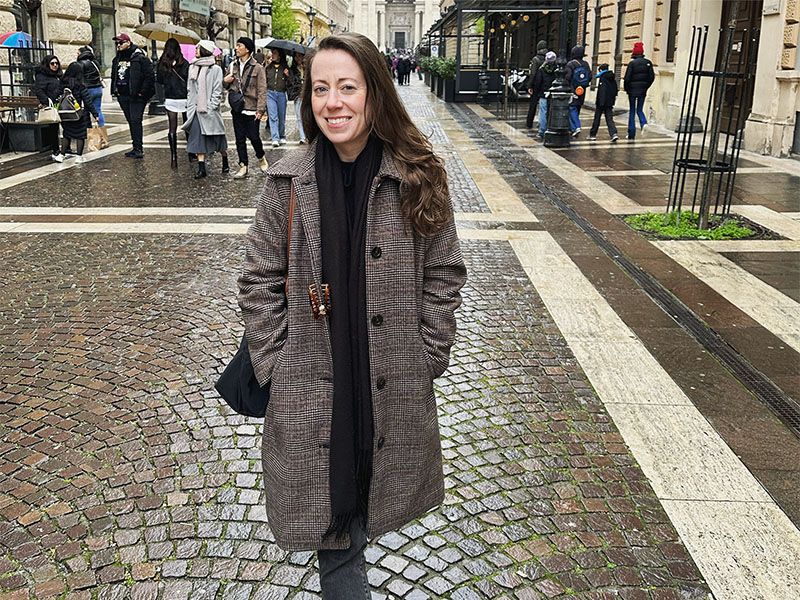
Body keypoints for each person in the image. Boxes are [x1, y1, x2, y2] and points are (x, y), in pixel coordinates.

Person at [237, 31, 466, 598]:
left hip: (386, 377)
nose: (332, 102)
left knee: (366, 497)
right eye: (320, 89)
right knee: (334, 523)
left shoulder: (417, 174)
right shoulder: (286, 181)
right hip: (313, 385)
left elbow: (444, 271)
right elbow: (258, 279)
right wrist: (277, 364)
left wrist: (428, 351)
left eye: (347, 87)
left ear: (374, 93)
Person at [223, 36, 268, 179]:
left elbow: (262, 90)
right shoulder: (232, 65)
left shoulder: (258, 68)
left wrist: (260, 110)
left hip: (252, 107)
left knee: (254, 137)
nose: (236, 48)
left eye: (239, 46)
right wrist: (225, 81)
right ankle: (243, 165)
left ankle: (261, 157)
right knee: (239, 139)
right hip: (237, 107)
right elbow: (226, 85)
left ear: (247, 49)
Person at [183, 40, 228, 179]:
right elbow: (190, 89)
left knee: (217, 139)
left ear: (204, 50)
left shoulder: (216, 69)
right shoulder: (193, 67)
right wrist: (190, 107)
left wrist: (211, 107)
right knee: (197, 139)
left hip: (210, 111)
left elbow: (217, 90)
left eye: (198, 48)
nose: (195, 50)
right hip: (196, 110)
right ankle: (201, 168)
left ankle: (225, 159)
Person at [110, 33, 155, 159]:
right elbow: (115, 75)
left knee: (135, 120)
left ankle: (138, 148)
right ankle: (135, 147)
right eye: (117, 43)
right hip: (122, 94)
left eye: (121, 43)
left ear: (128, 42)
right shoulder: (117, 58)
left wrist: (142, 92)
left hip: (136, 96)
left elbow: (149, 76)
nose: (118, 45)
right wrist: (115, 90)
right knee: (131, 121)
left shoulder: (139, 57)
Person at [157, 38, 191, 169]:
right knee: (187, 125)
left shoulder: (163, 63)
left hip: (170, 98)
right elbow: (188, 79)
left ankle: (174, 157)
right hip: (184, 97)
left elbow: (159, 80)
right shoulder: (184, 63)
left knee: (172, 128)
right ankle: (191, 152)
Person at [59, 62, 100, 162]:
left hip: (65, 114)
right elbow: (88, 101)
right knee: (80, 135)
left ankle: (62, 154)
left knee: (67, 134)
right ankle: (79, 156)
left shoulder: (62, 83)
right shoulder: (80, 85)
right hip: (79, 114)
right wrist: (95, 114)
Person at [33, 54, 65, 162]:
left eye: (56, 63)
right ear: (48, 64)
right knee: (53, 127)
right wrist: (47, 101)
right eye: (52, 63)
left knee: (66, 125)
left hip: (61, 103)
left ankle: (65, 148)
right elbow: (39, 91)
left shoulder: (59, 75)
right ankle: (55, 150)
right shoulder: (42, 76)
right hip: (51, 104)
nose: (55, 65)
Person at [623, 41, 655, 140]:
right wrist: (646, 87)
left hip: (632, 91)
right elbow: (651, 77)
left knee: (632, 110)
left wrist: (627, 89)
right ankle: (644, 123)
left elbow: (627, 79)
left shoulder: (632, 64)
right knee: (640, 109)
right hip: (642, 91)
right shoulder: (648, 63)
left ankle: (631, 133)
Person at [563, 45, 591, 138]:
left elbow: (567, 77)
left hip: (573, 89)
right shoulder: (586, 64)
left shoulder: (571, 64)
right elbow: (589, 77)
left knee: (571, 107)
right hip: (582, 90)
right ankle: (573, 127)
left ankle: (576, 127)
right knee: (577, 107)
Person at [265, 48, 290, 147]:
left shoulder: (285, 68)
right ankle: (275, 138)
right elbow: (264, 81)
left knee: (281, 116)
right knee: (273, 116)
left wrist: (288, 75)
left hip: (281, 94)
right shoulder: (268, 68)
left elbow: (290, 83)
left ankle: (282, 135)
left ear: (280, 55)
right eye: (272, 53)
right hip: (270, 94)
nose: (272, 55)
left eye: (275, 53)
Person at [76, 46, 105, 132]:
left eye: (78, 53)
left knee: (86, 111)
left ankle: (88, 131)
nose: (76, 55)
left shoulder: (81, 63)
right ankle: (102, 133)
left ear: (82, 53)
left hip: (88, 90)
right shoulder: (95, 62)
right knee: (98, 110)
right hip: (98, 88)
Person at [588, 63, 619, 143]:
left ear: (601, 70)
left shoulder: (603, 78)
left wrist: (600, 102)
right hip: (609, 102)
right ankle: (613, 134)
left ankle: (592, 135)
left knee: (597, 118)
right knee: (609, 119)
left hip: (602, 102)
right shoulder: (612, 77)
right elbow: (615, 90)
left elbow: (602, 91)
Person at [531, 51, 558, 140]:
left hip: (543, 93)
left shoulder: (542, 69)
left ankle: (542, 131)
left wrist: (536, 91)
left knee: (543, 112)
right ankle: (551, 127)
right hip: (553, 93)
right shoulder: (557, 69)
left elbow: (538, 82)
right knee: (552, 112)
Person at [525, 40, 548, 129]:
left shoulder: (536, 59)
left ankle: (529, 123)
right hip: (545, 85)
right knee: (544, 106)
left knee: (533, 105)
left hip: (536, 85)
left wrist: (529, 85)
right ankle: (543, 123)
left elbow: (533, 74)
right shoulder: (548, 58)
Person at [287, 52, 307, 144]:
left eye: (300, 56)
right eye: (296, 56)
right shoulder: (292, 70)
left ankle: (309, 135)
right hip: (297, 95)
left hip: (307, 95)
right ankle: (302, 137)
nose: (298, 58)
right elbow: (291, 83)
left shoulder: (308, 68)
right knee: (299, 117)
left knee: (307, 116)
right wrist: (288, 76)